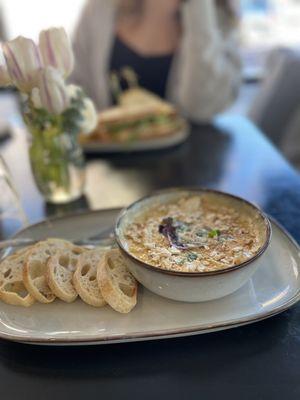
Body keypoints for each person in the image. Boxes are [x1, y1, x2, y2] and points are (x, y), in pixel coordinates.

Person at [72, 0, 241, 121]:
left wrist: (199, 11)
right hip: (105, 165)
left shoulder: (218, 14)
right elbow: (73, 92)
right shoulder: (101, 8)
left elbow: (200, 108)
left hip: (188, 167)